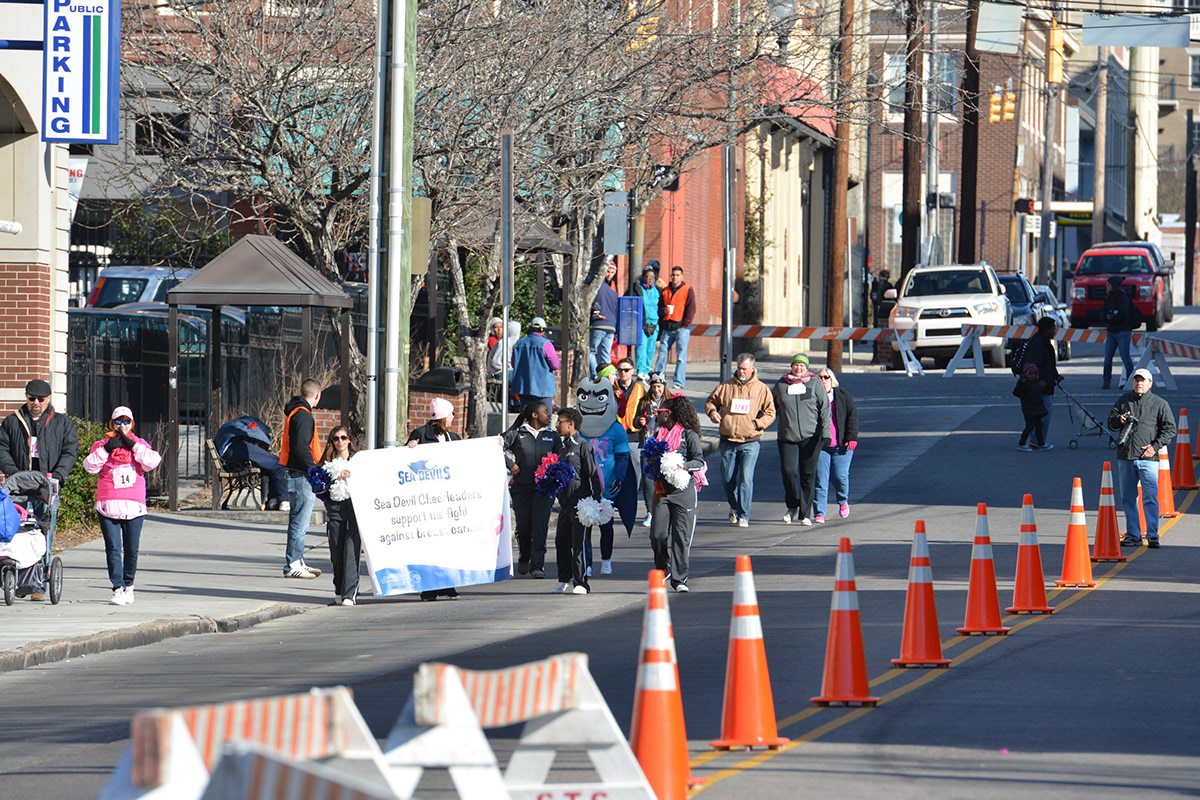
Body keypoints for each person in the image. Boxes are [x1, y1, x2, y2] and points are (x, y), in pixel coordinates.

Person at [0, 379, 79, 585]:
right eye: (31, 398)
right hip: (19, 488)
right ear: (26, 397)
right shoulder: (11, 422)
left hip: (47, 487)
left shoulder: (63, 424)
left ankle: (39, 584)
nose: (36, 402)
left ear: (48, 399)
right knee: (16, 533)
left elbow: (70, 451)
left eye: (41, 399)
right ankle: (16, 579)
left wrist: (59, 475)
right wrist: (15, 474)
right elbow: (2, 449)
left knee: (44, 534)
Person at [82, 406, 162, 606]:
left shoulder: (140, 444)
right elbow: (89, 467)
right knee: (113, 549)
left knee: (132, 549)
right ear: (112, 424)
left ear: (132, 424)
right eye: (118, 421)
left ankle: (129, 585)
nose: (122, 425)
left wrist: (132, 445)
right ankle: (117, 588)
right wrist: (107, 449)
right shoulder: (102, 444)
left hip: (134, 506)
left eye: (126, 422)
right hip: (108, 504)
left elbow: (152, 461)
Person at [706, 353, 776, 527]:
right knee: (727, 479)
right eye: (739, 368)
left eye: (744, 368)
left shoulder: (761, 389)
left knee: (746, 478)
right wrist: (712, 412)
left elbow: (771, 412)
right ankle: (734, 506)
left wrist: (757, 423)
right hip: (728, 439)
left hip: (750, 440)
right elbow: (710, 402)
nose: (741, 371)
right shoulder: (725, 386)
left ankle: (744, 515)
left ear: (752, 368)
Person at [1108, 369, 1176, 549]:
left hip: (1148, 458)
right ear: (1133, 382)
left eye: (1143, 380)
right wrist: (1120, 420)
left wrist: (1155, 446)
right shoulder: (1124, 401)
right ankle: (1133, 535)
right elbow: (1110, 422)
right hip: (1126, 457)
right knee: (1128, 498)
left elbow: (1170, 429)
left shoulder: (1160, 404)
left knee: (1150, 497)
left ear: (1150, 383)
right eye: (1136, 380)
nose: (1139, 383)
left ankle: (1152, 535)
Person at [648, 395, 706, 593]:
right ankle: (663, 569)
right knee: (657, 535)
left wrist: (682, 466)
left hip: (683, 491)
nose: (658, 414)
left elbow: (699, 461)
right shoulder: (657, 434)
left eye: (661, 412)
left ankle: (680, 579)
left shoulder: (689, 435)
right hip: (662, 491)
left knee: (681, 537)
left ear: (670, 414)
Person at [407, 397, 463, 599]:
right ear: (442, 417)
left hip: (448, 501)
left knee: (448, 544)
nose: (453, 417)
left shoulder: (454, 438)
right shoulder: (420, 435)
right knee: (429, 546)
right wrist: (409, 448)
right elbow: (406, 464)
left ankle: (447, 585)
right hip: (427, 502)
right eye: (451, 414)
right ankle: (429, 587)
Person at [772, 354, 830, 525]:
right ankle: (792, 505)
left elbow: (825, 410)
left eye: (802, 366)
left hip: (811, 436)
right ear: (791, 367)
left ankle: (805, 513)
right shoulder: (781, 384)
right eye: (796, 365)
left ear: (807, 368)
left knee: (808, 474)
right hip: (787, 436)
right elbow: (770, 408)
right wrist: (756, 423)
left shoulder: (814, 384)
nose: (799, 368)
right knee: (788, 472)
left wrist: (826, 433)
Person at [502, 401, 559, 578]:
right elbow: (497, 448)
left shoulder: (553, 436)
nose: (549, 415)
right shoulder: (517, 433)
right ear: (534, 415)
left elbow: (560, 458)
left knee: (540, 525)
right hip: (522, 488)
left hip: (544, 489)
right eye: (545, 412)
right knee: (524, 526)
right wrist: (511, 464)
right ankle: (524, 556)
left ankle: (537, 565)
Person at [552, 407, 602, 595]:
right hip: (565, 503)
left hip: (581, 504)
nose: (557, 425)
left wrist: (596, 499)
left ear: (570, 424)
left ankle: (581, 582)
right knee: (561, 542)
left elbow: (592, 473)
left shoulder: (583, 445)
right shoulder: (563, 448)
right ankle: (564, 578)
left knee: (578, 543)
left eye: (560, 422)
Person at [279, 378, 324, 580]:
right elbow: (301, 447)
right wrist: (314, 470)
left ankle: (297, 560)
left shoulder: (295, 413)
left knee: (298, 520)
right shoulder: (304, 416)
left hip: (295, 474)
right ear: (316, 395)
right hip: (301, 475)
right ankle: (294, 563)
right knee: (300, 521)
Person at [320, 426, 361, 606]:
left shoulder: (358, 461)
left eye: (343, 438)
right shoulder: (328, 463)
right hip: (335, 508)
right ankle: (339, 588)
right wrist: (337, 475)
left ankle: (349, 592)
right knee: (337, 551)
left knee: (351, 550)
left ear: (349, 440)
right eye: (336, 438)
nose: (340, 442)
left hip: (355, 508)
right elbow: (318, 486)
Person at [812, 369, 859, 522]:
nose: (823, 380)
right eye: (820, 378)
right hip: (821, 445)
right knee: (821, 479)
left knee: (840, 477)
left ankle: (843, 500)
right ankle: (820, 512)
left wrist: (851, 437)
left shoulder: (842, 396)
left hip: (841, 445)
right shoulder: (812, 397)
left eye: (826, 377)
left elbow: (852, 416)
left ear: (832, 380)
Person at [213, 415, 288, 511]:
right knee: (278, 463)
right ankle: (283, 500)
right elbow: (259, 434)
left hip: (229, 458)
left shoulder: (234, 425)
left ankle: (273, 500)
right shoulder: (253, 424)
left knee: (270, 465)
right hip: (237, 449)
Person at [1017, 317, 1060, 449]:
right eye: (1052, 328)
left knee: (1038, 415)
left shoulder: (1042, 341)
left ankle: (1037, 440)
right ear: (1046, 330)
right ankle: (1035, 440)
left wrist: (1055, 375)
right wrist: (1041, 381)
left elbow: (1047, 365)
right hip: (1039, 387)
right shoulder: (1039, 344)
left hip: (1043, 384)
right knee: (1042, 413)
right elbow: (1033, 365)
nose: (1054, 331)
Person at [655, 266, 696, 388]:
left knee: (681, 356)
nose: (675, 277)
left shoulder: (687, 290)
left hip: (681, 328)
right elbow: (660, 307)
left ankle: (678, 382)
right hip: (667, 327)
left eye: (677, 275)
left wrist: (685, 325)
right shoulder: (665, 290)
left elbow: (691, 309)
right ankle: (658, 377)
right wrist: (664, 311)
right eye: (673, 275)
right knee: (662, 353)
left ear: (681, 277)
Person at [510, 317, 560, 410]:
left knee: (526, 416)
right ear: (543, 330)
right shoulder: (546, 344)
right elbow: (555, 364)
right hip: (543, 387)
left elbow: (514, 363)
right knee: (545, 417)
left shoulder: (519, 343)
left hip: (524, 386)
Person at [1101, 276, 1136, 390]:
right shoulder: (1108, 298)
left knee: (1125, 356)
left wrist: (1112, 318)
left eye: (1109, 284)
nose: (1106, 286)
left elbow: (1124, 313)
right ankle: (1106, 382)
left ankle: (1131, 381)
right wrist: (1106, 317)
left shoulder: (1123, 298)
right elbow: (1102, 311)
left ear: (1114, 286)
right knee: (1108, 357)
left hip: (1123, 331)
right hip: (1111, 332)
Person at [632, 262, 665, 379]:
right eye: (647, 277)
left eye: (652, 277)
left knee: (651, 349)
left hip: (654, 324)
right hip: (642, 323)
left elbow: (661, 306)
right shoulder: (637, 288)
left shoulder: (658, 291)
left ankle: (646, 370)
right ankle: (640, 370)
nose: (649, 279)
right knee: (641, 346)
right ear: (643, 277)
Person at [589, 262, 620, 377]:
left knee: (591, 351)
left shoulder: (596, 287)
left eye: (612, 272)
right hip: (611, 326)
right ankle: (606, 377)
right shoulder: (614, 292)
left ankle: (595, 375)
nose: (609, 275)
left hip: (599, 323)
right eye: (608, 271)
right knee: (605, 353)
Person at [1014, 362, 1048, 453]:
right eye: (1031, 373)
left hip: (1036, 409)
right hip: (1029, 409)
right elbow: (1017, 392)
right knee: (1029, 426)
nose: (1033, 376)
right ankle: (1021, 443)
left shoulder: (1036, 383)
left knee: (1039, 426)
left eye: (1035, 374)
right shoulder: (1025, 383)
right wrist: (1021, 383)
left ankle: (1041, 443)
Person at [614, 357, 646, 432]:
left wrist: (641, 420)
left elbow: (645, 410)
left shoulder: (640, 389)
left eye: (626, 370)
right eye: (620, 370)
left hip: (635, 431)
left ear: (632, 371)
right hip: (617, 431)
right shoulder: (613, 388)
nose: (623, 372)